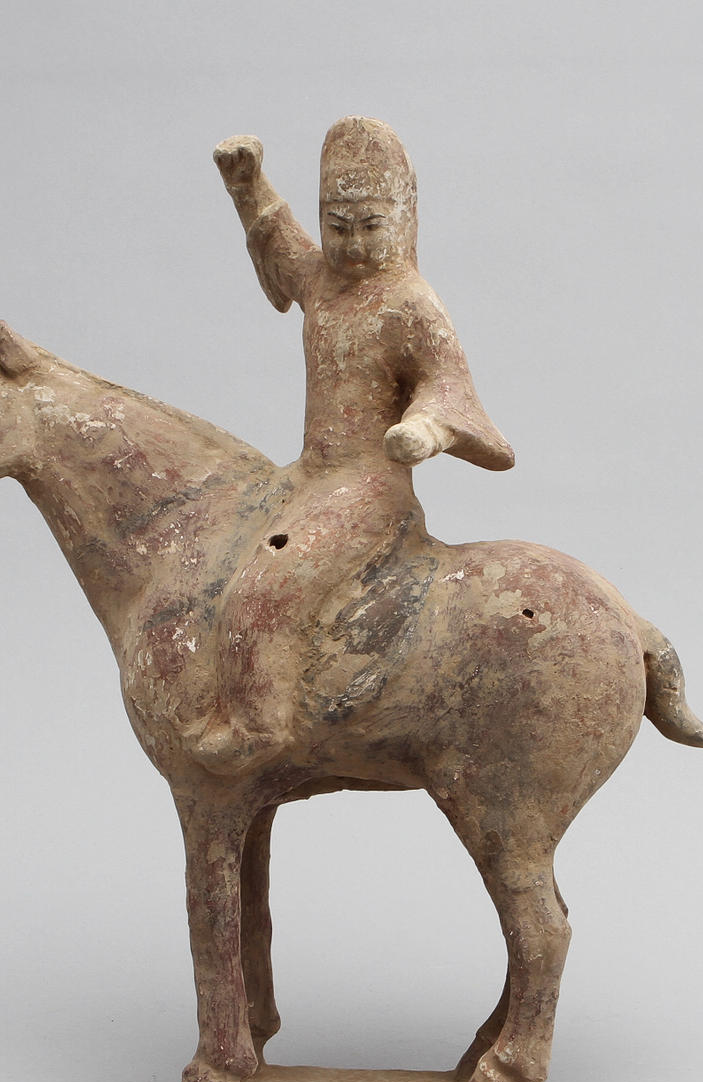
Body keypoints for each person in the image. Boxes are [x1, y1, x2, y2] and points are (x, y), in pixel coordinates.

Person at [198, 117, 513, 771]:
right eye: (337, 227)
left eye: (371, 226)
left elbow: (447, 383)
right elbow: (282, 247)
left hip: (368, 489)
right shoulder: (324, 283)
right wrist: (248, 186)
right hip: (309, 477)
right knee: (214, 542)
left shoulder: (409, 303)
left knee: (266, 586)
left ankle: (258, 724)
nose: (354, 244)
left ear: (403, 219)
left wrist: (425, 429)